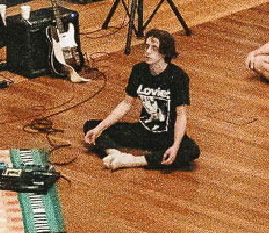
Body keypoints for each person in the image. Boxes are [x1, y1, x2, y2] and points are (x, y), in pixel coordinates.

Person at [83, 30, 200, 170]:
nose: (148, 52)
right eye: (147, 46)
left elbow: (181, 115)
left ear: (165, 52)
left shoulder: (178, 76)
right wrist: (99, 128)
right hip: (143, 131)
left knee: (191, 150)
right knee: (91, 126)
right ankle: (114, 154)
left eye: (154, 48)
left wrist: (175, 146)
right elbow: (126, 104)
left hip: (166, 136)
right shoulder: (138, 70)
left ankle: (132, 161)